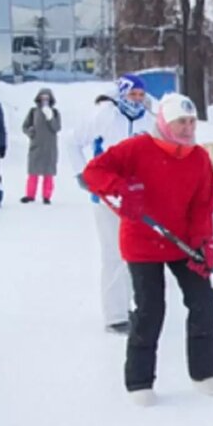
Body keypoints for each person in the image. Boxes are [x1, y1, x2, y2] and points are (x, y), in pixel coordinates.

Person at [81, 92, 213, 405]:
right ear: (164, 123)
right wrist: (120, 188)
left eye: (191, 122)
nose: (187, 128)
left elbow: (203, 207)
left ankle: (204, 372)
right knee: (150, 310)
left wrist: (204, 242)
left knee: (203, 302)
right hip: (143, 240)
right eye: (180, 122)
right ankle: (139, 381)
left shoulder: (198, 158)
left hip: (183, 242)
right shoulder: (137, 148)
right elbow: (94, 173)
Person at [64, 74, 156, 334]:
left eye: (140, 95)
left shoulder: (148, 121)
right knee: (114, 253)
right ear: (121, 94)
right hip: (106, 195)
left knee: (135, 253)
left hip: (136, 198)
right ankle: (115, 316)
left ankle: (132, 306)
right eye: (132, 94)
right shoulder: (105, 115)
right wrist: (82, 173)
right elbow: (71, 140)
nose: (136, 100)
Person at [21, 88, 62, 204]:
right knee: (33, 173)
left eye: (47, 98)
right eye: (42, 98)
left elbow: (57, 128)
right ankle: (30, 195)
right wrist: (30, 132)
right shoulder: (33, 111)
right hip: (36, 146)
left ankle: (46, 196)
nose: (44, 100)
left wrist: (50, 118)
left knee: (48, 174)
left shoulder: (55, 112)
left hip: (50, 148)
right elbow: (25, 126)